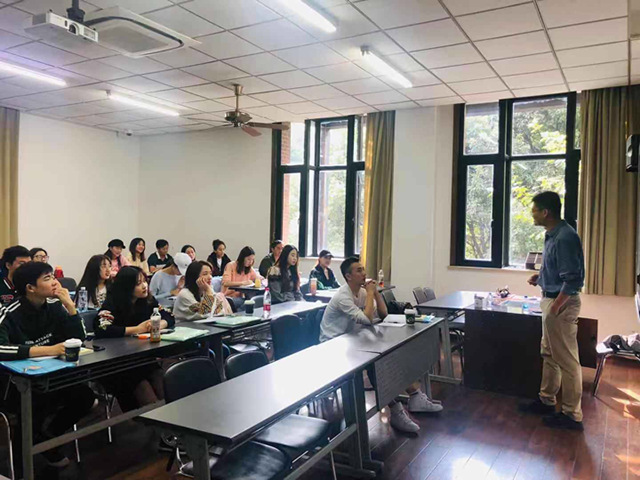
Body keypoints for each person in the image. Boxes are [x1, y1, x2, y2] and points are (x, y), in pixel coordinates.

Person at [319, 257, 442, 433]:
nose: (364, 273)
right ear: (348, 276)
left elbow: (384, 314)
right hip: (333, 346)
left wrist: (376, 293)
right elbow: (367, 319)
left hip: (352, 340)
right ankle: (396, 410)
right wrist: (370, 293)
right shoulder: (342, 297)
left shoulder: (361, 293)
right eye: (359, 271)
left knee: (391, 356)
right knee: (377, 364)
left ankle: (415, 397)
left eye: (363, 269)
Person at [0, 262, 95, 469]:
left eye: (53, 277)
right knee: (33, 408)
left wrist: (70, 306)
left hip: (52, 376)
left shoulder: (54, 306)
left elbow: (79, 338)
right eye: (47, 278)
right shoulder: (9, 312)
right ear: (30, 288)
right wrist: (47, 349)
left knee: (85, 397)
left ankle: (48, 438)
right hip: (16, 385)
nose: (55, 282)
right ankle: (22, 466)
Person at [520, 191, 585, 431]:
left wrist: (556, 306)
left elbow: (574, 279)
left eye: (535, 210)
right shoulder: (553, 234)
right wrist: (541, 277)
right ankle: (546, 400)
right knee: (549, 353)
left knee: (567, 360)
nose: (532, 214)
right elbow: (559, 270)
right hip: (551, 299)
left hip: (560, 304)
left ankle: (571, 415)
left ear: (545, 212)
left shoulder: (565, 237)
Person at [95, 266, 173, 412]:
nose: (144, 286)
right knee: (146, 393)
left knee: (163, 381)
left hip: (142, 358)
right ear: (127, 286)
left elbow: (168, 316)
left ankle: (172, 418)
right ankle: (154, 421)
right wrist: (137, 329)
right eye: (138, 283)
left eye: (145, 281)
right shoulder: (113, 302)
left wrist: (159, 323)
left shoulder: (147, 300)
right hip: (119, 364)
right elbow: (102, 328)